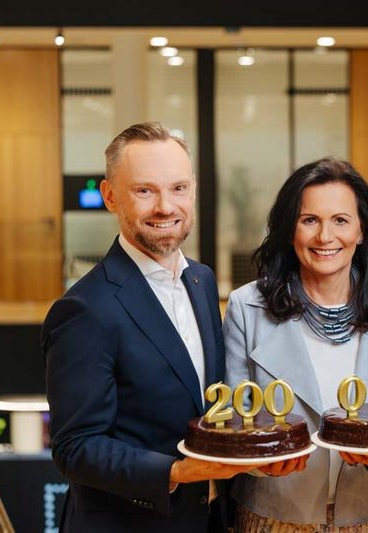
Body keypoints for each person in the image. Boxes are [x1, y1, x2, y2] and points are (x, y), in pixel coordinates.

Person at [42, 122, 258, 532]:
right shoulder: (84, 309)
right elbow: (75, 447)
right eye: (145, 191)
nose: (165, 206)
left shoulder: (202, 281)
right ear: (110, 196)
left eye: (178, 188)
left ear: (193, 190)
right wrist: (176, 472)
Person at [224, 157, 368, 531]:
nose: (325, 236)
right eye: (310, 220)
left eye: (341, 220)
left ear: (361, 231)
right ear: (289, 230)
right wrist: (261, 462)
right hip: (273, 517)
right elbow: (234, 422)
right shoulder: (246, 308)